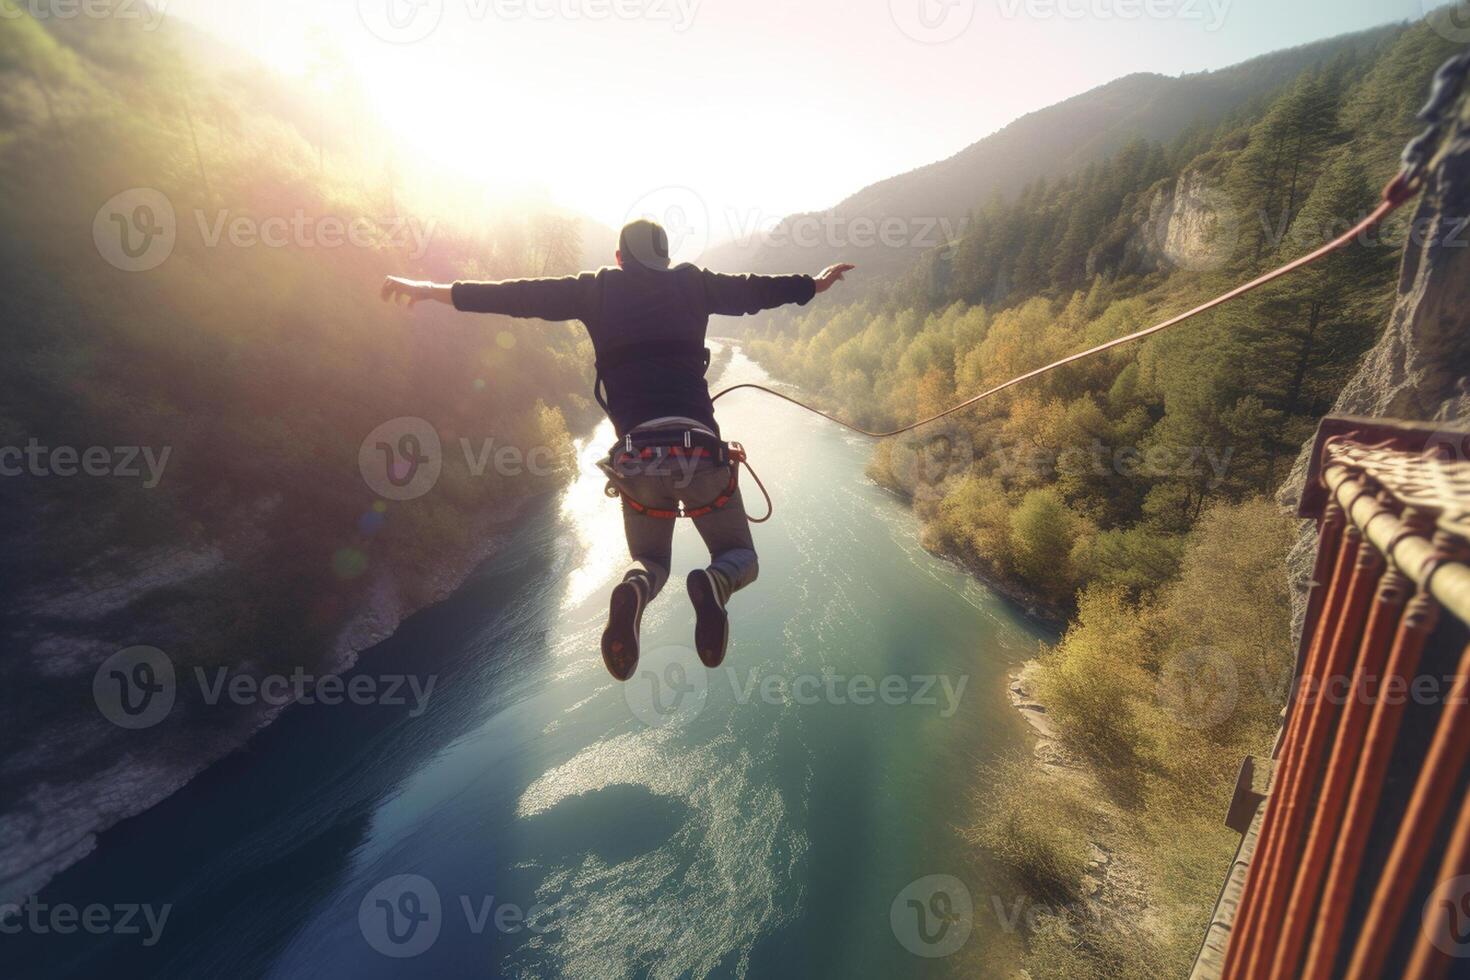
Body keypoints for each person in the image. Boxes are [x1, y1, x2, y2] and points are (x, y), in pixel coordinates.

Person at [382, 219, 853, 680]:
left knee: (652, 563)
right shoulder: (693, 284)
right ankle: (715, 582)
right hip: (700, 452)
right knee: (737, 556)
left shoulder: (597, 289)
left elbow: (514, 295)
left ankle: (635, 589)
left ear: (618, 257)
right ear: (667, 258)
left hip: (637, 459)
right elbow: (754, 292)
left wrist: (426, 288)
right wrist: (813, 283)